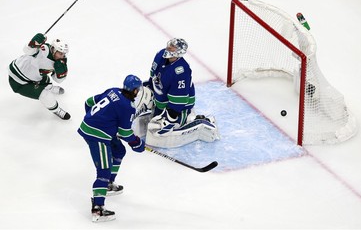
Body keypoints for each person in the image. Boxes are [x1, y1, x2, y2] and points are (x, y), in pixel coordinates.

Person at [77, 74, 146, 223]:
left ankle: (108, 184)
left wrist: (97, 119)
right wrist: (137, 144)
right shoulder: (127, 107)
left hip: (97, 129)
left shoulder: (113, 91)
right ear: (134, 91)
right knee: (103, 170)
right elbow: (125, 133)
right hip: (97, 135)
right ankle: (98, 209)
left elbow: (89, 102)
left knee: (119, 151)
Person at [141, 38, 220, 148]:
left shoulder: (181, 70)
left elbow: (179, 98)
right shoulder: (160, 55)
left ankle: (193, 119)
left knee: (162, 127)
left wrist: (171, 115)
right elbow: (153, 76)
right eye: (169, 44)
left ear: (179, 52)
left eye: (172, 46)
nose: (168, 47)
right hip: (161, 98)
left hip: (178, 106)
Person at [8, 33, 70, 120]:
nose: (62, 56)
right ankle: (56, 110)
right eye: (60, 53)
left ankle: (50, 87)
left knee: (46, 80)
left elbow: (58, 79)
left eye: (64, 53)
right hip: (18, 80)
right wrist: (33, 44)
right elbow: (27, 50)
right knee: (46, 96)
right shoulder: (43, 51)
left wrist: (61, 74)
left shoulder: (61, 59)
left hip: (34, 75)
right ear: (53, 49)